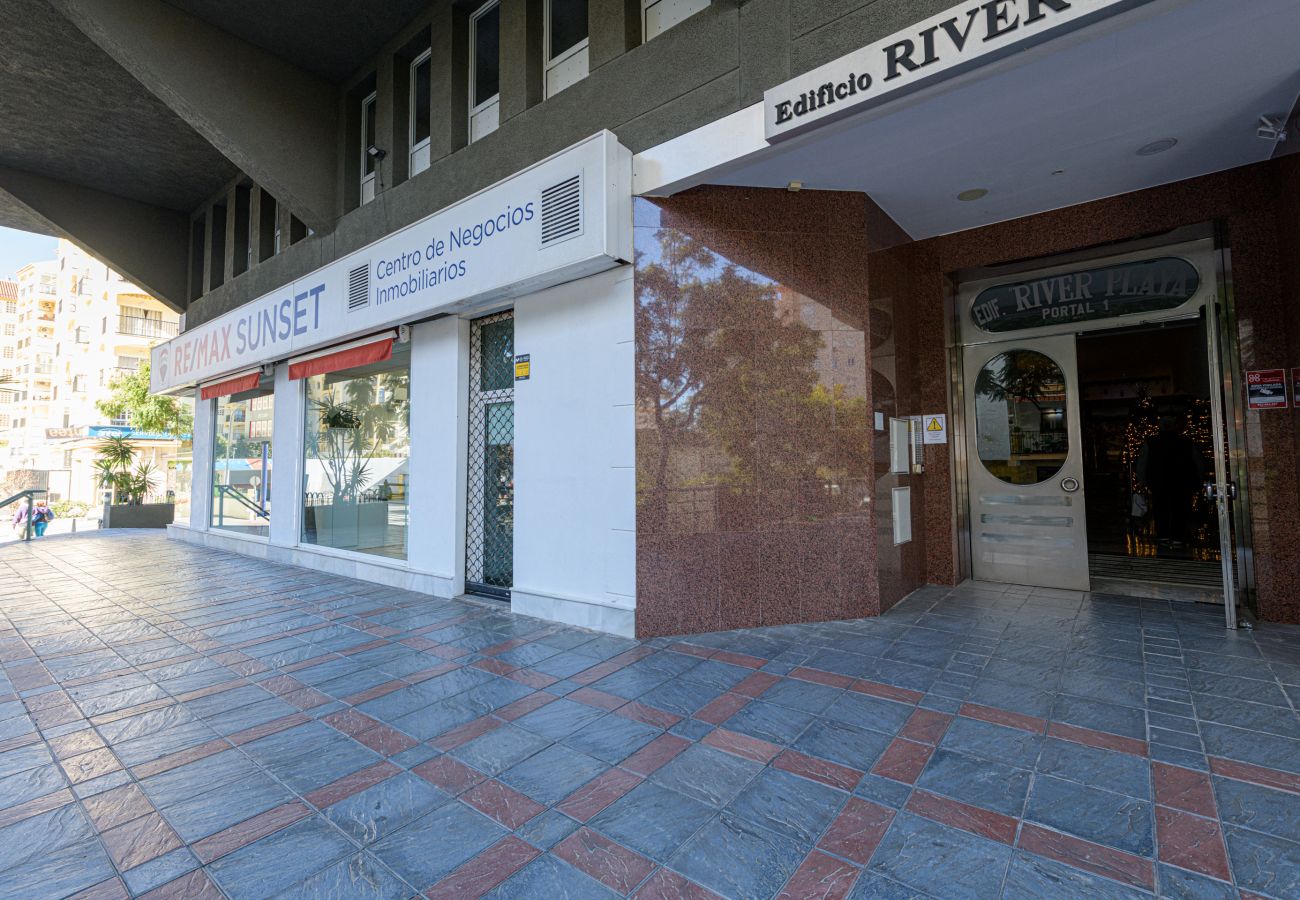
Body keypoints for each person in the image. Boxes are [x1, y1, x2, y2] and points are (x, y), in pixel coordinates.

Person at [1136, 414, 1205, 548]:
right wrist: (1199, 480)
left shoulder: (1151, 441)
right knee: (1181, 509)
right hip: (1182, 482)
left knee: (1160, 508)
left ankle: (1163, 536)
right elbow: (1198, 463)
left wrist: (1142, 481)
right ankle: (1178, 537)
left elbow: (1142, 463)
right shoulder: (1186, 441)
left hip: (1158, 482)